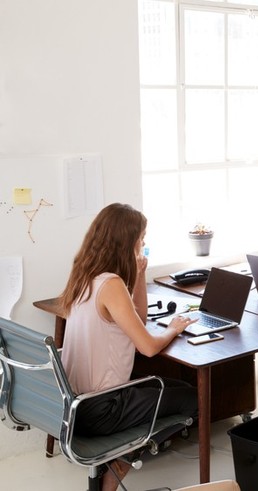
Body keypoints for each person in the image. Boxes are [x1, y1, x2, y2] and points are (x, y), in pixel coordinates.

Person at [58, 203, 198, 491]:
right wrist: (173, 328)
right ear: (127, 240)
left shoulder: (84, 275)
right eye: (141, 237)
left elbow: (137, 319)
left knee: (175, 387)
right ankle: (114, 473)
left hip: (74, 405)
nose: (144, 243)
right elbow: (147, 347)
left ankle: (110, 470)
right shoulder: (111, 284)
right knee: (194, 400)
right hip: (103, 408)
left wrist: (139, 276)